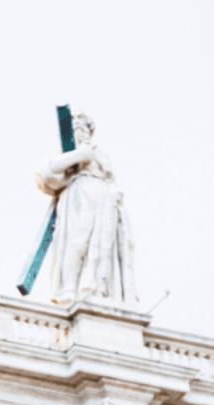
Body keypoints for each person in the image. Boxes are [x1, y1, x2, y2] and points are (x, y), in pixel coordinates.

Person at [33, 113, 136, 306]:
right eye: (78, 130)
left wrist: (114, 191)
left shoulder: (101, 154)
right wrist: (79, 155)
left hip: (105, 198)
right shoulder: (64, 154)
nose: (84, 135)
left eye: (86, 130)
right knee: (77, 242)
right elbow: (45, 173)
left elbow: (109, 177)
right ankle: (69, 288)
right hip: (79, 194)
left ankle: (98, 289)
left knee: (104, 246)